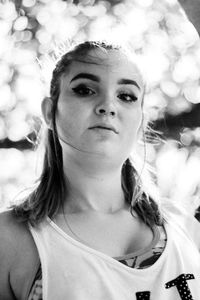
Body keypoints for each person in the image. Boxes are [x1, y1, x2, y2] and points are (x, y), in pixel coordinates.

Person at [0, 3, 200, 300]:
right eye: (84, 89)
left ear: (140, 120)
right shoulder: (10, 238)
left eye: (126, 96)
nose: (108, 105)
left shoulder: (185, 226)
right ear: (50, 111)